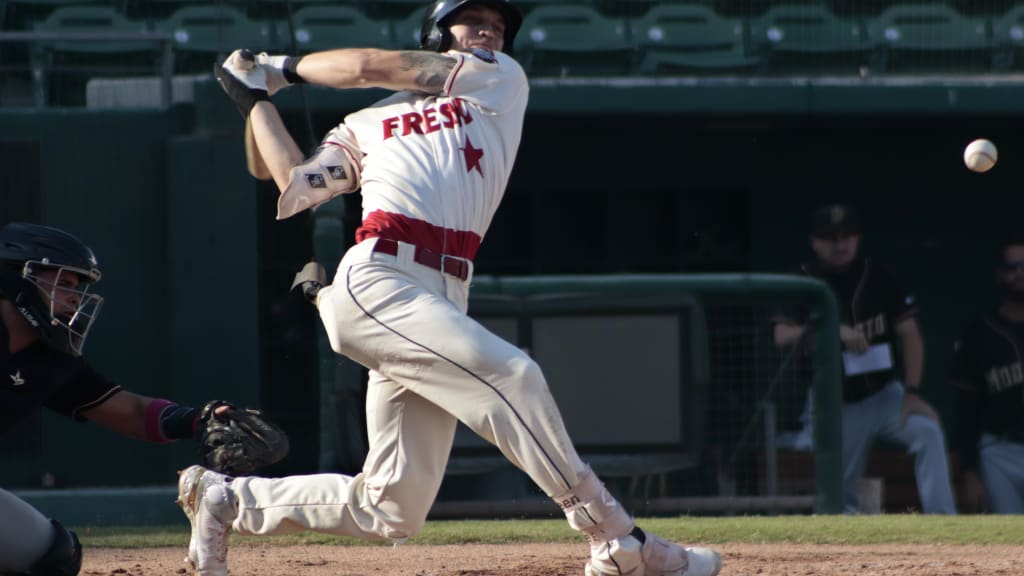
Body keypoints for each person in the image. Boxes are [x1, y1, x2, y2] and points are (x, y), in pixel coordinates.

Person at [182, 1, 722, 575]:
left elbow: (369, 62)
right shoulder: (366, 123)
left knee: (391, 507)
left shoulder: (495, 79)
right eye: (472, 19)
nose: (489, 28)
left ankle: (225, 499)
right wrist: (254, 100)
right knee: (513, 374)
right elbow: (290, 179)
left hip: (438, 292)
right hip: (382, 276)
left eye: (498, 23)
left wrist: (279, 67)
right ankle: (616, 537)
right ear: (438, 31)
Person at [0, 221, 217, 575]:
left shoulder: (51, 361)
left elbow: (131, 411)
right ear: (16, 278)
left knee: (55, 555)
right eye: (64, 283)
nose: (75, 298)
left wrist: (201, 421)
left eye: (77, 288)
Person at [771, 203, 956, 514]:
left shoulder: (877, 274)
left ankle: (944, 519)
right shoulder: (803, 280)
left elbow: (910, 333)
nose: (840, 244)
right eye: (830, 238)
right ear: (815, 242)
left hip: (884, 396)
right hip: (835, 403)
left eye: (847, 236)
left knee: (927, 432)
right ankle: (852, 554)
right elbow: (781, 336)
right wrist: (832, 330)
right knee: (840, 499)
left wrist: (911, 393)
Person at [951, 235, 1024, 513]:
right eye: (1012, 266)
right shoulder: (980, 333)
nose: (1019, 273)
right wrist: (969, 472)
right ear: (999, 273)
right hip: (1000, 452)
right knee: (1008, 544)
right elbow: (966, 410)